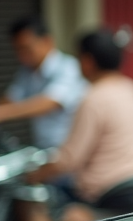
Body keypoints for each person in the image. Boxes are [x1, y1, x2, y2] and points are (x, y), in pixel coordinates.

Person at [22, 28, 133, 221]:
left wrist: (34, 175)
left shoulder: (94, 97)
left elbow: (69, 159)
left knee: (30, 203)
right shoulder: (130, 87)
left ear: (88, 61)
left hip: (102, 193)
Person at [0, 16, 87, 151]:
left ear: (47, 41)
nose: (22, 55)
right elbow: (11, 98)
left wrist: (4, 113)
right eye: (17, 50)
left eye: (26, 48)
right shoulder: (26, 71)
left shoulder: (68, 67)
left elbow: (49, 102)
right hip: (44, 149)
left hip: (71, 151)